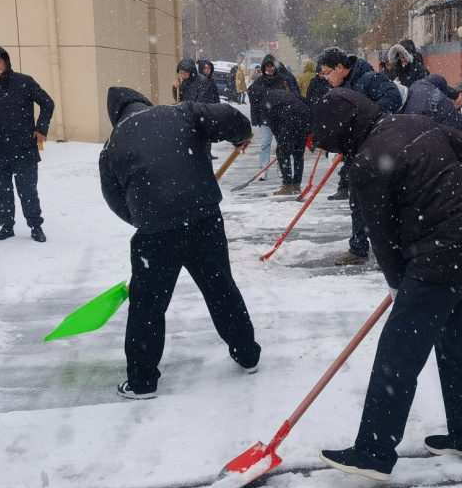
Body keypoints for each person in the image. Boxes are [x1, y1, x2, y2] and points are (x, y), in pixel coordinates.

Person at [312, 89, 462, 481]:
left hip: (438, 259)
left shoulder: (367, 163)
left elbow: (382, 239)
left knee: (398, 354)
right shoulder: (414, 121)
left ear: (344, 135)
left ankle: (373, 451)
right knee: (457, 343)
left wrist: (399, 286)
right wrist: (450, 191)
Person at [100, 87, 261, 397]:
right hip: (203, 220)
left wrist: (146, 217)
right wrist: (241, 136)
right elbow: (230, 117)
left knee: (147, 307)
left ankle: (142, 382)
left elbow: (115, 199)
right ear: (143, 102)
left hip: (155, 235)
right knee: (220, 289)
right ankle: (247, 355)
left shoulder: (112, 146)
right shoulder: (179, 112)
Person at [316, 47, 403, 266]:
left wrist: (369, 120)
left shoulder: (367, 78)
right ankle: (358, 249)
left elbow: (393, 96)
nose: (325, 78)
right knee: (357, 199)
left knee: (384, 202)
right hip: (357, 151)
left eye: (326, 72)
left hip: (380, 149)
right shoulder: (343, 86)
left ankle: (393, 252)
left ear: (339, 67)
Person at [0, 47, 54, 243]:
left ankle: (36, 226)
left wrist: (41, 127)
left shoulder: (24, 82)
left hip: (23, 147)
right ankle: (6, 226)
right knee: (1, 193)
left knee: (28, 191)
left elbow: (47, 103)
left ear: (6, 63)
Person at [248, 55, 298, 179]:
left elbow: (291, 96)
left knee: (281, 144)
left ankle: (282, 168)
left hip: (280, 118)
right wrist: (256, 117)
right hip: (266, 118)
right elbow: (254, 100)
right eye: (268, 66)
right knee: (265, 144)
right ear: (264, 67)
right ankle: (263, 169)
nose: (270, 69)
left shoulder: (282, 80)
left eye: (272, 66)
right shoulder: (259, 82)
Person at [261, 87, 311, 195]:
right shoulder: (283, 94)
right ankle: (296, 185)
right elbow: (304, 101)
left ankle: (287, 185)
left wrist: (280, 142)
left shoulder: (265, 103)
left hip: (291, 117)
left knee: (282, 153)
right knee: (298, 154)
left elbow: (273, 124)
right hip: (305, 116)